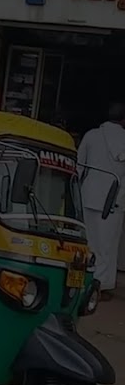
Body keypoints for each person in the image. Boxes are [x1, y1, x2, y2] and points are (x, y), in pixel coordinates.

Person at [77, 102, 125, 301]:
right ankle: (100, 286)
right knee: (107, 245)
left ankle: (86, 280)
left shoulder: (91, 135)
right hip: (113, 199)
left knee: (89, 241)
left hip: (88, 195)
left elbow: (79, 166)